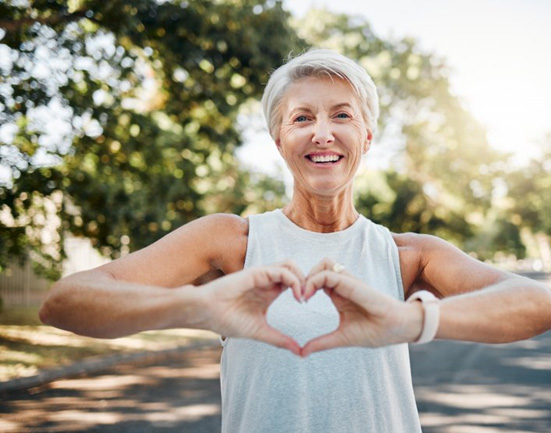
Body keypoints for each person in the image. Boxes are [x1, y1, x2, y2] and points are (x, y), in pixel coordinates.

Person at [39, 49, 551, 432]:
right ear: (279, 139)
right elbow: (64, 303)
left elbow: (536, 303)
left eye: (342, 115)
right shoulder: (231, 241)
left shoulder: (408, 255)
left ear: (367, 137)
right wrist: (196, 306)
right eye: (302, 117)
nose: (322, 133)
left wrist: (407, 319)